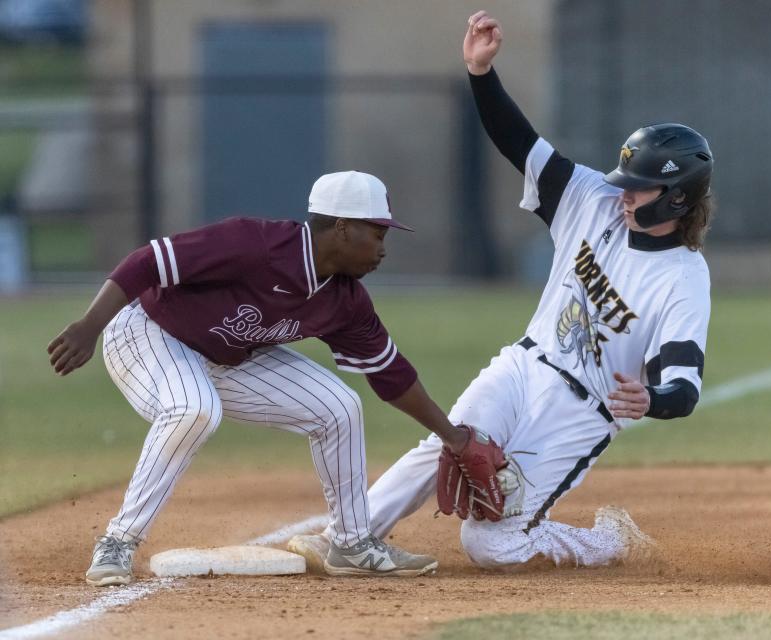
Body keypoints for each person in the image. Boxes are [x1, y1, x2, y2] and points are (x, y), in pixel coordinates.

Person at [288, 12, 715, 570]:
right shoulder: (594, 202)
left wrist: (650, 400)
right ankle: (350, 539)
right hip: (522, 367)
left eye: (640, 187)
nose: (626, 195)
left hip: (580, 413)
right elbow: (522, 144)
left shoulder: (683, 277)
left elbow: (683, 386)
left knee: (489, 544)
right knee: (447, 442)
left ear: (677, 198)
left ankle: (609, 543)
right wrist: (481, 73)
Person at [47, 171, 482, 585]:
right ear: (344, 228)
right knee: (194, 408)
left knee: (339, 407)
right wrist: (90, 325)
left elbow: (391, 374)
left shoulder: (346, 301)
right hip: (147, 332)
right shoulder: (254, 244)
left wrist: (454, 437)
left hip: (225, 355)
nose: (383, 249)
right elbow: (146, 263)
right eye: (379, 234)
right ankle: (118, 541)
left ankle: (351, 544)